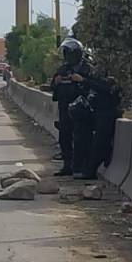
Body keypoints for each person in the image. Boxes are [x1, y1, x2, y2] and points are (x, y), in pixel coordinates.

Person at [50, 38, 92, 177]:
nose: (67, 56)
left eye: (69, 53)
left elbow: (92, 85)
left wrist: (80, 80)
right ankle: (67, 165)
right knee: (64, 137)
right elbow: (53, 86)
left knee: (80, 138)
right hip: (64, 107)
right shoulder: (63, 68)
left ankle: (79, 166)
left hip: (80, 109)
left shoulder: (86, 68)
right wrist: (57, 82)